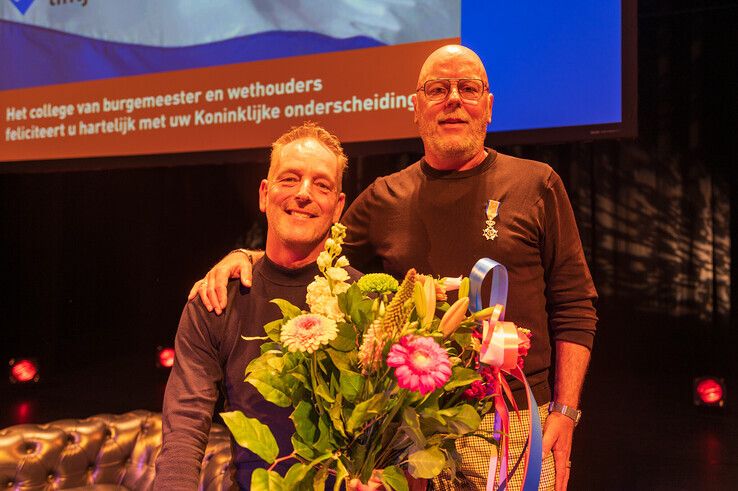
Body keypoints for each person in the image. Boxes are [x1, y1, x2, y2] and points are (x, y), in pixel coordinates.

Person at [189, 45, 597, 491]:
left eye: (469, 88)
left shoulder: (537, 183)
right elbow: (310, 254)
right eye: (437, 89)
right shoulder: (385, 197)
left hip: (515, 426)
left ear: (489, 106)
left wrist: (565, 412)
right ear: (417, 108)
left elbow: (575, 307)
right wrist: (246, 256)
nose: (454, 99)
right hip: (405, 434)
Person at [154, 122, 357, 489]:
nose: (304, 194)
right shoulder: (216, 300)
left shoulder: (366, 303)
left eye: (322, 185)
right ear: (265, 194)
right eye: (290, 179)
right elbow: (184, 426)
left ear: (338, 206)